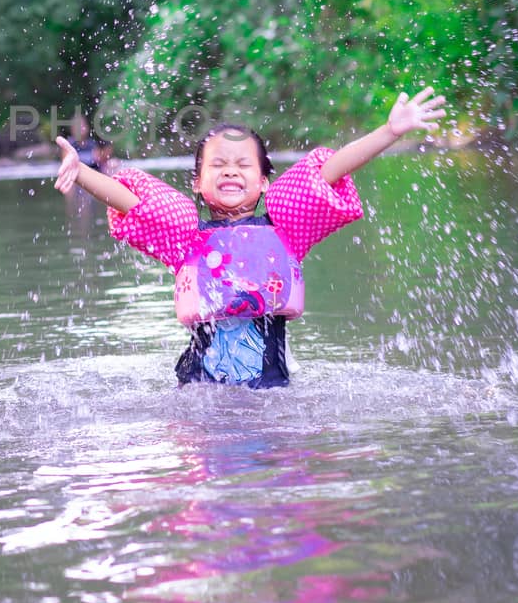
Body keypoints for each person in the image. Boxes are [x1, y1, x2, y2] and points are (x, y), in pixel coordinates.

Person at [53, 87, 446, 388]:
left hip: (270, 387)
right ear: (197, 182)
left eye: (243, 165)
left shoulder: (286, 228)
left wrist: (389, 131)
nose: (230, 172)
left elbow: (331, 170)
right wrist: (82, 172)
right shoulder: (185, 237)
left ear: (263, 182)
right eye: (218, 165)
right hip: (198, 390)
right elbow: (132, 202)